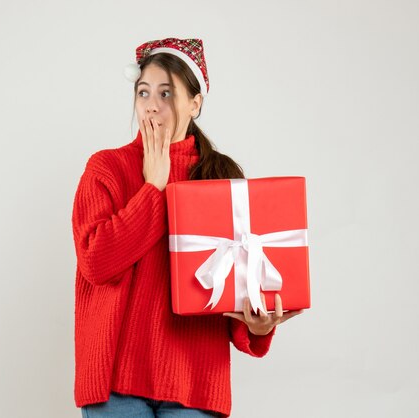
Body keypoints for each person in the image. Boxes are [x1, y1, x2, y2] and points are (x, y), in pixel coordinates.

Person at [71, 37, 303, 418]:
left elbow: (237, 285)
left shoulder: (220, 177)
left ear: (195, 104)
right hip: (116, 385)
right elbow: (97, 263)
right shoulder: (105, 169)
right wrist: (153, 188)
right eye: (143, 91)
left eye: (166, 93)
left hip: (196, 384)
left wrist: (258, 328)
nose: (151, 104)